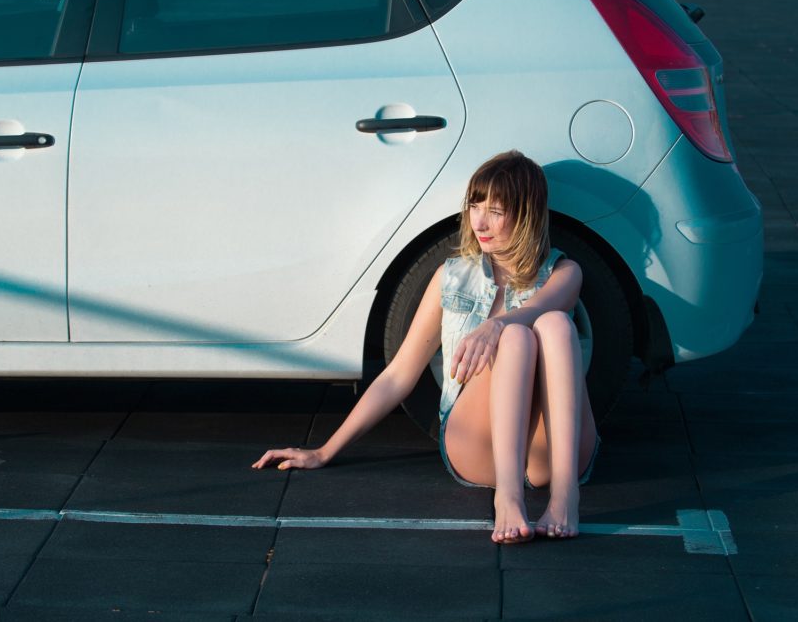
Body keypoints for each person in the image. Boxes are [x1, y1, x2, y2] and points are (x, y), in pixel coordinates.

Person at [253, 150, 599, 544]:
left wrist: (496, 325)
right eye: (474, 205)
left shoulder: (565, 273)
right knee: (517, 337)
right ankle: (508, 498)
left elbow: (541, 306)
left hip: (548, 452)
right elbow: (399, 375)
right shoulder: (450, 278)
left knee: (551, 324)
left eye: (497, 211)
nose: (480, 222)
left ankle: (564, 499)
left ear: (526, 216)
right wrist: (324, 451)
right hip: (477, 446)